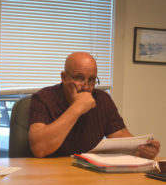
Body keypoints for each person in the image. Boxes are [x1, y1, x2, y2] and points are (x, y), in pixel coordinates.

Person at [28, 52, 160, 159]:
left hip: (88, 171)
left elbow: (119, 134)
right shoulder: (43, 98)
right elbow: (40, 148)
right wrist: (77, 107)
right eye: (79, 78)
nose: (86, 87)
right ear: (63, 77)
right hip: (50, 175)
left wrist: (142, 148)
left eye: (91, 80)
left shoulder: (102, 99)